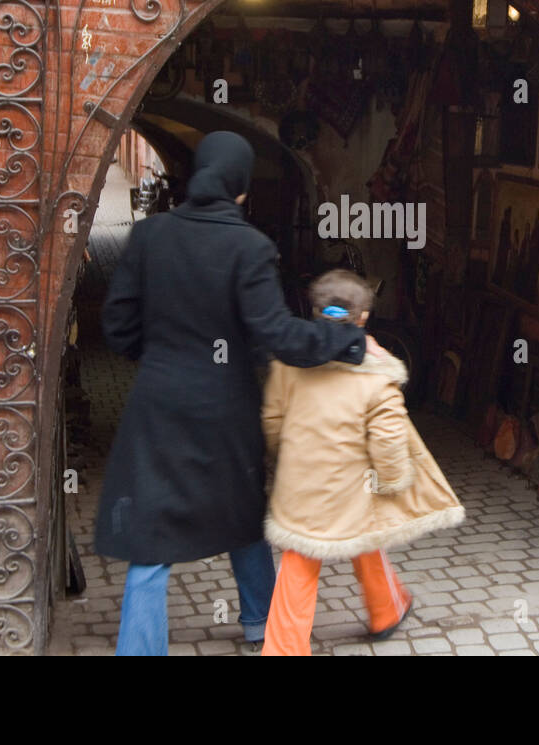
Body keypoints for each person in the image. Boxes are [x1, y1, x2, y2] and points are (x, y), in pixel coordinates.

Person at [97, 131, 380, 656]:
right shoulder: (249, 247)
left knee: (152, 535)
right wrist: (345, 338)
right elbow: (279, 336)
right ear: (241, 189)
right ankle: (261, 625)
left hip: (158, 404)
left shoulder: (150, 236)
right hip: (225, 408)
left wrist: (164, 361)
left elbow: (117, 327)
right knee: (242, 513)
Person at [260, 269, 465, 656]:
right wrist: (393, 479)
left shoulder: (289, 363)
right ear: (364, 318)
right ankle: (386, 610)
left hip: (301, 487)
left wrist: (283, 458)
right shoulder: (378, 373)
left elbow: (272, 421)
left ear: (315, 311)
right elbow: (388, 440)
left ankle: (286, 647)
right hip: (353, 489)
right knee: (365, 529)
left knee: (301, 559)